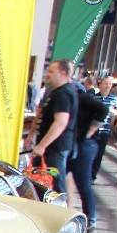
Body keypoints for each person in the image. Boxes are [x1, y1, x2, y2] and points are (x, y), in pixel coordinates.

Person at [30, 60, 78, 194]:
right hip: (52, 147)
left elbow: (60, 122)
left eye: (51, 71)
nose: (48, 74)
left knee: (55, 184)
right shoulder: (57, 92)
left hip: (55, 148)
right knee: (43, 182)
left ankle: (60, 206)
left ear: (62, 73)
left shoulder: (63, 93)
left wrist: (42, 145)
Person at [67, 87, 108, 227]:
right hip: (76, 143)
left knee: (82, 181)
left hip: (84, 144)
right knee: (67, 178)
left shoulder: (80, 98)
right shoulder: (70, 97)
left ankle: (90, 217)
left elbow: (103, 109)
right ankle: (73, 211)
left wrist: (91, 130)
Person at [92, 75, 117, 182]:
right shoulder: (93, 98)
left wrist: (116, 116)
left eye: (110, 84)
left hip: (105, 131)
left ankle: (93, 175)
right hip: (93, 130)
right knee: (90, 153)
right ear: (100, 85)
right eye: (105, 83)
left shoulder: (114, 99)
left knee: (99, 154)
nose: (108, 86)